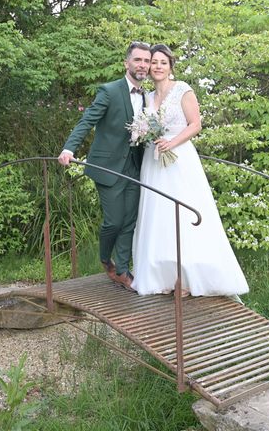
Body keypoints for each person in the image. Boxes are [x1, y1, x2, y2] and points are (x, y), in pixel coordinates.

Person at [131, 44, 249, 298]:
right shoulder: (147, 98)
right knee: (158, 216)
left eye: (163, 62)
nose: (158, 67)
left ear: (171, 66)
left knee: (184, 215)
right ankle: (161, 276)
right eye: (154, 63)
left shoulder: (183, 89)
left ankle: (186, 279)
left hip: (179, 159)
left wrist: (171, 143)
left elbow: (196, 124)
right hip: (154, 162)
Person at [58, 41, 152, 290]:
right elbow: (86, 121)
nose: (142, 65)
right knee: (114, 221)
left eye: (146, 61)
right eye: (138, 60)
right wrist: (69, 148)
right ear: (127, 63)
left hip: (135, 165)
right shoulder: (109, 91)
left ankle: (122, 270)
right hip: (108, 166)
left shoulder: (148, 97)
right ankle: (104, 259)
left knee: (130, 220)